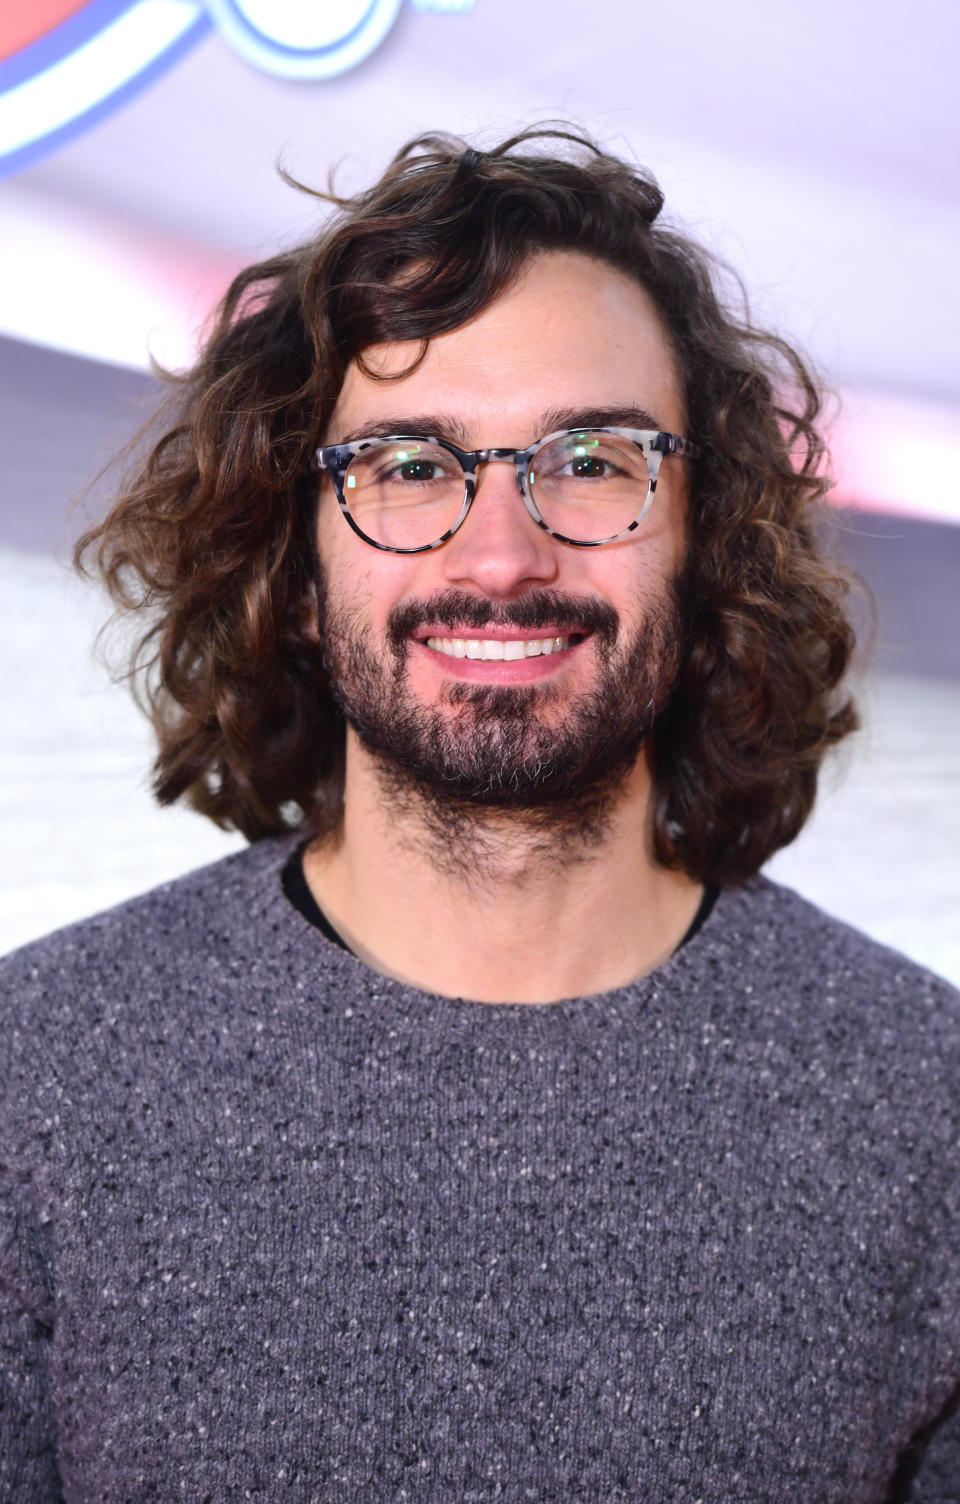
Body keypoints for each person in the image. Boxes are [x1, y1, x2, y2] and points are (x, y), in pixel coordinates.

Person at [1, 126, 958, 1501]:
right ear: (296, 549)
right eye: (406, 468)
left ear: (705, 532)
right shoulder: (31, 1087)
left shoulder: (929, 1109)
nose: (501, 555)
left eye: (590, 461)